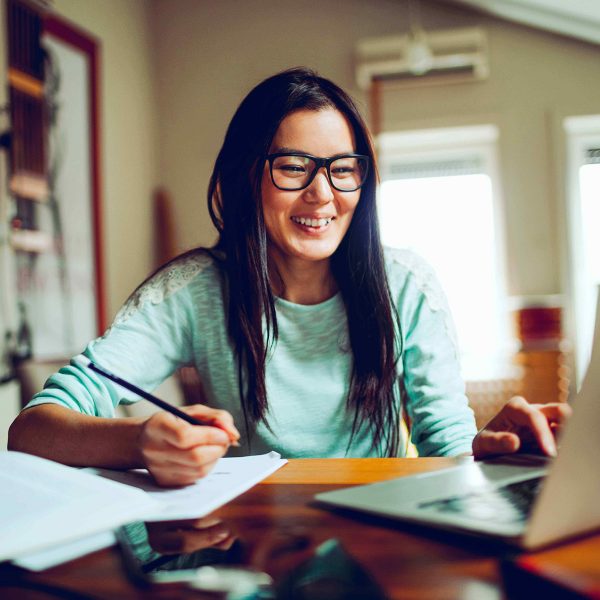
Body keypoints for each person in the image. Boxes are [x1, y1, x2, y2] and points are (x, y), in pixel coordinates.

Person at [8, 68, 570, 487]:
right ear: (248, 174)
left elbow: (446, 447)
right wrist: (139, 439)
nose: (322, 194)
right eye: (294, 166)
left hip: (376, 530)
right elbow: (30, 430)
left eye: (342, 169)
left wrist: (495, 447)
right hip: (246, 538)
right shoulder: (193, 290)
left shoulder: (407, 287)